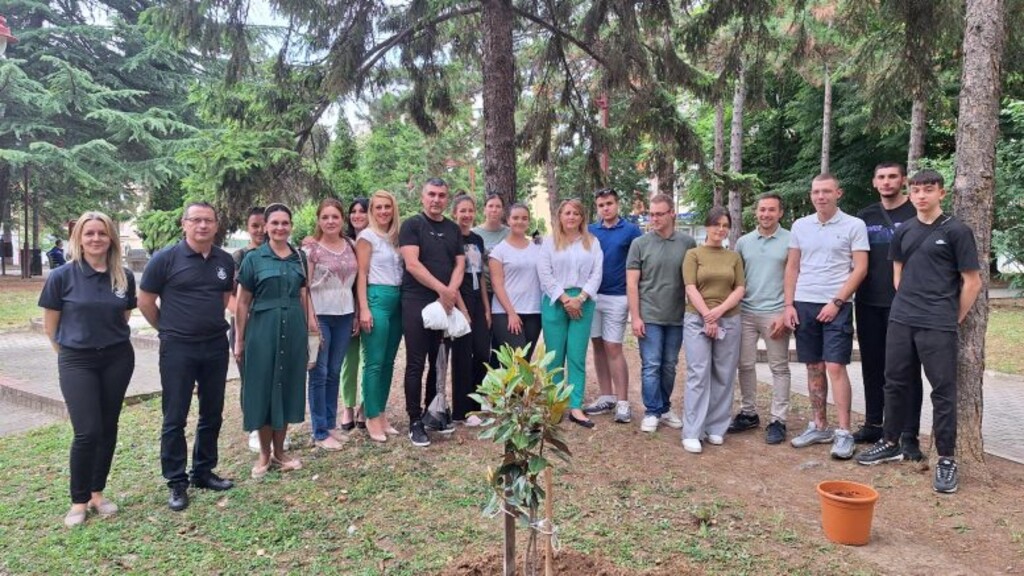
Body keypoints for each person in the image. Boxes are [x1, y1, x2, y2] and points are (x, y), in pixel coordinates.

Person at [855, 170, 981, 494]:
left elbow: (972, 281)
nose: (921, 195)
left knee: (942, 390)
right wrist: (907, 305)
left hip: (938, 322)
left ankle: (947, 459)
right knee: (894, 381)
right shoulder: (904, 231)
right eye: (916, 190)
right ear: (910, 194)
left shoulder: (957, 231)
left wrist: (953, 317)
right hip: (902, 318)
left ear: (942, 193)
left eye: (928, 189)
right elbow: (898, 275)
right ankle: (891, 440)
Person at [39, 212, 136, 528]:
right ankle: (78, 500)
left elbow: (122, 318)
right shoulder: (62, 276)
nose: (96, 239)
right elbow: (50, 327)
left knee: (108, 426)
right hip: (77, 361)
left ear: (111, 239)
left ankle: (97, 492)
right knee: (87, 431)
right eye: (89, 233)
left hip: (118, 359)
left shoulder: (123, 276)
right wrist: (70, 353)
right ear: (78, 238)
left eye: (102, 233)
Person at [139, 202, 236, 511]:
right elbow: (145, 301)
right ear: (184, 224)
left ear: (216, 225)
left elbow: (223, 298)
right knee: (175, 416)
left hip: (215, 345)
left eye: (208, 220)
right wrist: (167, 329)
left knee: (212, 412)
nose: (202, 226)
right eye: (196, 220)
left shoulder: (224, 260)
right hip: (178, 348)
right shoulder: (165, 259)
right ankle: (177, 481)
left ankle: (203, 472)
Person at [783, 174, 869, 460]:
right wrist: (789, 305)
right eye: (816, 192)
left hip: (837, 305)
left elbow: (860, 268)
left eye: (827, 192)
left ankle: (843, 432)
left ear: (838, 193)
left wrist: (837, 301)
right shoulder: (800, 225)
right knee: (813, 367)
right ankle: (819, 425)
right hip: (804, 303)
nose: (821, 197)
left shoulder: (854, 225)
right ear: (811, 196)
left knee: (835, 366)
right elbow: (792, 268)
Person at [234, 204, 316, 478]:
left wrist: (309, 330)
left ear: (291, 226)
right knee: (262, 388)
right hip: (262, 329)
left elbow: (304, 296)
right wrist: (240, 340)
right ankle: (264, 454)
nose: (280, 228)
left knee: (287, 386)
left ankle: (281, 452)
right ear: (266, 226)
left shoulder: (300, 258)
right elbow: (243, 302)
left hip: (293, 326)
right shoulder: (253, 259)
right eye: (275, 223)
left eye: (285, 223)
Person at [852, 163, 924, 459]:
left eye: (892, 176)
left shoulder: (916, 214)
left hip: (906, 304)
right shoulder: (864, 217)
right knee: (872, 365)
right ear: (874, 182)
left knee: (907, 369)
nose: (886, 181)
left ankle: (909, 434)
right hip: (868, 301)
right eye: (881, 177)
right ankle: (873, 423)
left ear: (903, 181)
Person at [400, 178, 464, 447]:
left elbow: (459, 263)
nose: (436, 199)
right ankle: (414, 420)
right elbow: (412, 264)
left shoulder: (453, 229)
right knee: (416, 362)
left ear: (447, 199)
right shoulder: (412, 225)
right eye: (431, 195)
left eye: (441, 195)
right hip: (416, 300)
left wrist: (450, 292)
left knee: (438, 361)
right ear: (422, 197)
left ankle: (432, 412)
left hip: (445, 302)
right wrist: (443, 290)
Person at [626, 194, 696, 434]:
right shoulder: (640, 244)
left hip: (676, 316)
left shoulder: (687, 244)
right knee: (651, 364)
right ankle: (652, 411)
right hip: (649, 315)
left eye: (659, 214)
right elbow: (632, 284)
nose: (653, 218)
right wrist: (635, 317)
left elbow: (693, 282)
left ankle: (665, 408)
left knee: (669, 365)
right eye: (651, 214)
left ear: (671, 214)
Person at [681, 207, 746, 453]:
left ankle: (716, 427)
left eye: (725, 225)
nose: (720, 229)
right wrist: (707, 317)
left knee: (724, 373)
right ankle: (692, 431)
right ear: (707, 226)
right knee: (698, 373)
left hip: (728, 319)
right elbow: (690, 287)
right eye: (716, 224)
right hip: (697, 320)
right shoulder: (693, 254)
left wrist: (718, 314)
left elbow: (739, 288)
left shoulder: (733, 257)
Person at [730, 194, 793, 444]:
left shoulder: (791, 240)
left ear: (780, 213)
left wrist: (787, 310)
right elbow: (736, 278)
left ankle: (778, 419)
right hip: (745, 312)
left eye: (771, 210)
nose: (766, 214)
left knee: (779, 367)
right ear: (755, 212)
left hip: (776, 312)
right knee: (744, 364)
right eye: (762, 209)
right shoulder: (744, 242)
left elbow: (796, 276)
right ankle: (748, 413)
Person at [538, 198, 603, 429]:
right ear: (560, 217)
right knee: (555, 357)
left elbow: (597, 273)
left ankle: (575, 406)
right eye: (567, 213)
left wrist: (580, 298)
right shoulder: (549, 243)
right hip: (556, 301)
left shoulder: (592, 243)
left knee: (576, 356)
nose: (571, 217)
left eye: (576, 213)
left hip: (583, 302)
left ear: (582, 217)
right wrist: (566, 299)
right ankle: (554, 406)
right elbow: (544, 273)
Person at [584, 188, 642, 423]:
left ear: (617, 204)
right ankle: (606, 396)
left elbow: (639, 263)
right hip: (592, 296)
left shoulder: (630, 231)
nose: (605, 208)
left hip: (618, 297)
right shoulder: (590, 230)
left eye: (609, 203)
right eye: (601, 205)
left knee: (613, 347)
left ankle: (623, 402)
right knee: (597, 345)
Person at [304, 198, 358, 451]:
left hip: (345, 313)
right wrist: (311, 318)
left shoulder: (350, 245)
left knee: (335, 370)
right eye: (325, 217)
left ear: (342, 220)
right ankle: (319, 430)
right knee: (319, 372)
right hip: (321, 314)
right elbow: (303, 288)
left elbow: (356, 282)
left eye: (335, 217)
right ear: (318, 220)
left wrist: (357, 312)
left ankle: (331, 424)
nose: (330, 221)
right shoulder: (311, 249)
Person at [357, 191, 404, 443]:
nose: (384, 211)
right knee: (374, 362)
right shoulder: (367, 237)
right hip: (377, 298)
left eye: (388, 206)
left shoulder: (395, 237)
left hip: (398, 300)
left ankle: (382, 414)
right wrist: (364, 307)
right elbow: (361, 274)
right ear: (371, 211)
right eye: (378, 207)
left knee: (388, 362)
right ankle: (371, 416)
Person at [228, 207, 273, 454]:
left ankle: (273, 425)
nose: (260, 230)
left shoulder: (280, 253)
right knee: (251, 379)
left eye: (263, 224)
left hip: (273, 325)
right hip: (246, 326)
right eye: (254, 225)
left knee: (272, 377)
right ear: (248, 227)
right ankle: (255, 427)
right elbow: (231, 298)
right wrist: (246, 320)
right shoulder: (239, 256)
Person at [450, 195, 490, 426]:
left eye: (470, 211)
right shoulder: (451, 237)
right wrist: (462, 309)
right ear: (455, 212)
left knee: (483, 353)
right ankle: (461, 411)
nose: (466, 215)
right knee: (462, 357)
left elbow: (481, 276)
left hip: (477, 299)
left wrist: (485, 308)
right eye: (462, 211)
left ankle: (476, 403)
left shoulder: (477, 239)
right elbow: (451, 277)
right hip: (459, 300)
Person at [489, 203, 543, 359]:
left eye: (524, 218)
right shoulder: (499, 251)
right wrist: (511, 313)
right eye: (516, 218)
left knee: (525, 362)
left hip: (533, 311)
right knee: (517, 363)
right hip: (506, 313)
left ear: (529, 221)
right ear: (508, 220)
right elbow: (496, 284)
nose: (520, 221)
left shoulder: (537, 248)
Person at [340, 197, 370, 430]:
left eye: (362, 211)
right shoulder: (343, 242)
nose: (357, 215)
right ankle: (348, 406)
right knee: (349, 361)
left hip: (373, 303)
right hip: (346, 307)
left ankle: (365, 406)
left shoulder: (377, 239)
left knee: (370, 359)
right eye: (353, 211)